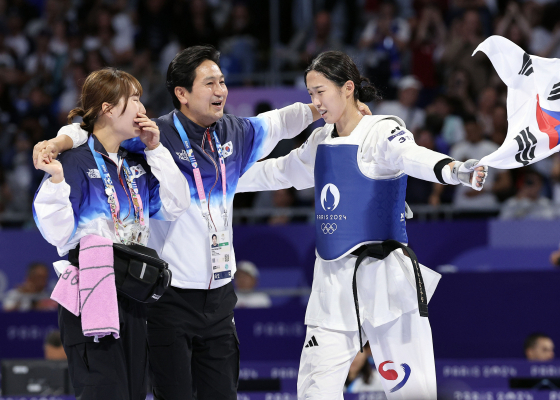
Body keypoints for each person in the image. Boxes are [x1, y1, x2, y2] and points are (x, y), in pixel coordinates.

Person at [33, 45, 370, 400]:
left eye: (222, 82)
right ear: (182, 93)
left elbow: (281, 121)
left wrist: (332, 107)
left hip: (219, 297)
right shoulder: (150, 133)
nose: (221, 90)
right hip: (165, 296)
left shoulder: (232, 132)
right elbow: (93, 131)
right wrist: (59, 140)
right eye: (209, 83)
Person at [237, 51, 487, 399]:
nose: (315, 102)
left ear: (348, 88)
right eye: (310, 93)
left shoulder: (383, 130)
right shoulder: (320, 139)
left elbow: (411, 156)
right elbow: (279, 170)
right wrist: (223, 178)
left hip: (386, 280)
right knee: (314, 392)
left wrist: (453, 170)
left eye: (320, 91)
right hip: (331, 284)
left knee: (413, 394)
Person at [33, 68, 190, 400]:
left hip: (134, 293)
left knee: (133, 394)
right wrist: (58, 182)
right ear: (107, 108)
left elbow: (176, 204)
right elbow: (56, 234)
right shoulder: (73, 161)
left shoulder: (136, 163)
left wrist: (156, 149)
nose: (142, 108)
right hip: (92, 292)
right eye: (133, 99)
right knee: (105, 393)